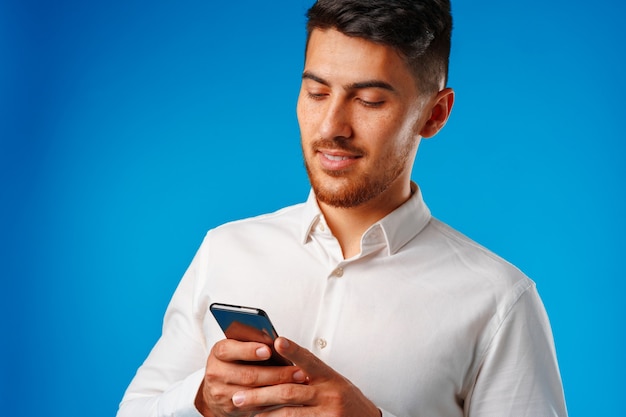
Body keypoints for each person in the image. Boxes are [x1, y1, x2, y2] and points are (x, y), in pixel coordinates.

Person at [117, 0, 568, 416]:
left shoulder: (499, 301)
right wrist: (202, 400)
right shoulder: (225, 249)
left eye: (369, 100)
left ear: (434, 114)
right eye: (316, 93)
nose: (331, 127)